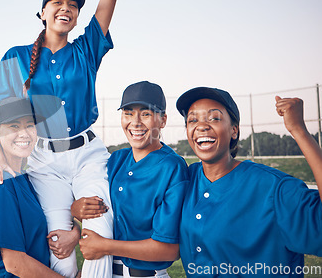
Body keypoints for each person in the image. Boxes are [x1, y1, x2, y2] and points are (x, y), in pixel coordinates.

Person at [0, 0, 121, 277]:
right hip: (43, 160)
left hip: (86, 153)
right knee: (59, 249)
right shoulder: (17, 56)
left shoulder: (86, 49)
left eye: (73, 5)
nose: (67, 8)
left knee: (99, 230)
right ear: (42, 13)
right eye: (58, 3)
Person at [175, 87, 322, 277]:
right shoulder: (185, 180)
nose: (202, 126)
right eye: (193, 120)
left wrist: (299, 130)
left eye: (214, 118)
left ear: (234, 130)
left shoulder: (273, 188)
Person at [71, 81, 189, 278]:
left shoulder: (172, 167)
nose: (135, 122)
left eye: (145, 113)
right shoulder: (116, 159)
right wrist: (76, 210)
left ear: (163, 120)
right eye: (128, 113)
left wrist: (105, 247)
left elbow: (170, 250)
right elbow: (100, 209)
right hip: (107, 271)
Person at [0, 97, 80, 277]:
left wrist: (75, 234)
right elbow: (14, 263)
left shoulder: (25, 178)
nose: (24, 134)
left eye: (29, 125)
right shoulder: (2, 185)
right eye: (14, 126)